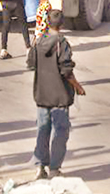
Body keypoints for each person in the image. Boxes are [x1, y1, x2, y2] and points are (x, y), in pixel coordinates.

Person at [28, 9, 84, 179]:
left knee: (42, 130)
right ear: (62, 24)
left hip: (42, 94)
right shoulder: (62, 43)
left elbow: (31, 64)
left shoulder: (37, 42)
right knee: (60, 131)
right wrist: (78, 87)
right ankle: (54, 169)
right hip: (60, 97)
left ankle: (40, 167)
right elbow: (66, 71)